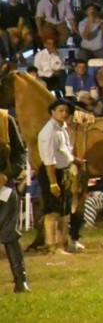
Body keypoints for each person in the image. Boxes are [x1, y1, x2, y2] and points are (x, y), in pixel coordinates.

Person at [38, 99, 84, 254]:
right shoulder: (49, 132)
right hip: (52, 172)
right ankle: (52, 245)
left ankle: (63, 242)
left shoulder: (62, 128)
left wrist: (75, 161)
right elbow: (49, 160)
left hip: (64, 171)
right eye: (60, 110)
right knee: (52, 211)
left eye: (66, 111)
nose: (64, 114)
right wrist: (53, 183)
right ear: (52, 112)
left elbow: (64, 151)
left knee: (64, 210)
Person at [0, 109, 30, 292]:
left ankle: (21, 280)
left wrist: (6, 175)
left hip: (3, 186)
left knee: (10, 234)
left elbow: (19, 155)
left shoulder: (5, 120)